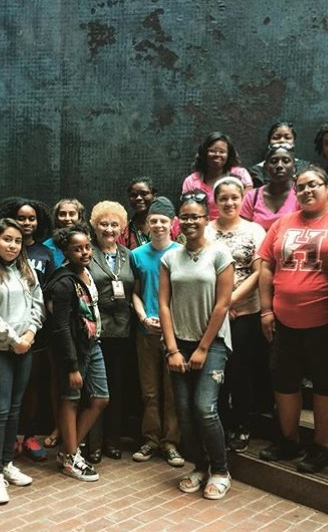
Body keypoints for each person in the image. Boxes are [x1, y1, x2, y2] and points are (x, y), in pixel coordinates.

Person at [257, 167, 328, 474]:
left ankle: (321, 448)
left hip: (325, 322)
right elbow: (266, 266)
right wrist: (266, 311)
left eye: (313, 185)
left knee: (326, 384)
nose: (306, 191)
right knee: (284, 382)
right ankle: (289, 440)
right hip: (284, 322)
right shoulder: (283, 223)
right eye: (301, 187)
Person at [159, 190, 235, 500]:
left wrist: (203, 348)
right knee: (184, 411)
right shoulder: (169, 257)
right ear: (179, 220)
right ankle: (198, 466)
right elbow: (163, 304)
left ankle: (220, 469)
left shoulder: (219, 253)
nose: (190, 221)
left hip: (212, 343)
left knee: (204, 408)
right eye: (185, 216)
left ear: (207, 219)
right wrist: (173, 349)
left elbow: (222, 304)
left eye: (196, 216)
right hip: (180, 344)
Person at [0, 218, 46, 503]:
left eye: (16, 240)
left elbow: (38, 302)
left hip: (24, 347)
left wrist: (30, 332)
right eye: (6, 239)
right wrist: (15, 340)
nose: (12, 245)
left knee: (15, 408)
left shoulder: (25, 268)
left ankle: (7, 464)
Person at [206, 177, 267, 453]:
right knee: (215, 371)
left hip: (245, 311)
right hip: (211, 313)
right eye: (223, 198)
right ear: (215, 201)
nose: (229, 202)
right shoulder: (205, 231)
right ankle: (219, 423)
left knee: (240, 371)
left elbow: (259, 272)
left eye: (234, 197)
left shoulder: (255, 231)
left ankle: (242, 425)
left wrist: (231, 300)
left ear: (242, 198)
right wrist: (219, 305)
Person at [45, 223, 109, 481]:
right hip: (73, 352)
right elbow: (60, 327)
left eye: (87, 247)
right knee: (70, 399)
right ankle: (71, 458)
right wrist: (72, 366)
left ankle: (68, 451)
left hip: (92, 345)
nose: (84, 252)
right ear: (65, 252)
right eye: (77, 249)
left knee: (101, 398)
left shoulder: (87, 273)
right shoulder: (63, 281)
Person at [0, 197, 54, 462]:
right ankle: (5, 440)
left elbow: (46, 295)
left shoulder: (44, 253)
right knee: (3, 393)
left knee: (31, 389)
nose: (27, 223)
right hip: (2, 334)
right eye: (21, 218)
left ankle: (28, 435)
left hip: (35, 334)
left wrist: (34, 329)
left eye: (32, 218)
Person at [130, 197, 183, 467]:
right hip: (145, 332)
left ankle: (171, 442)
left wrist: (168, 322)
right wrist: (143, 317)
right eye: (154, 221)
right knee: (149, 390)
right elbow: (135, 293)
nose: (159, 225)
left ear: (172, 224)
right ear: (147, 224)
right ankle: (151, 438)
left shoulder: (181, 253)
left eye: (164, 221)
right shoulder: (137, 255)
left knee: (172, 389)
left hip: (174, 332)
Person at [84, 201, 135, 462]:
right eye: (104, 223)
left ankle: (112, 441)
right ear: (95, 225)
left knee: (117, 387)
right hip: (96, 330)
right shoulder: (87, 252)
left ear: (122, 227)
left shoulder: (128, 255)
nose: (109, 228)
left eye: (114, 224)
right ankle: (92, 444)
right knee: (96, 389)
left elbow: (133, 289)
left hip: (123, 330)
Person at [182, 132, 253, 221]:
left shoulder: (240, 175)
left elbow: (247, 206)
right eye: (212, 151)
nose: (217, 155)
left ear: (228, 154)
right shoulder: (191, 181)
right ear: (204, 153)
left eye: (222, 152)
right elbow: (187, 210)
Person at [240, 144, 299, 231]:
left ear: (294, 168)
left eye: (286, 161)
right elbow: (243, 232)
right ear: (266, 168)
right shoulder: (252, 197)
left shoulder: (301, 195)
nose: (279, 165)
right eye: (274, 161)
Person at [248, 121, 311, 187]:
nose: (282, 140)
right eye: (276, 138)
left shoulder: (305, 167)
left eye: (287, 137)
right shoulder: (256, 171)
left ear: (294, 142)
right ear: (269, 142)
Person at [43, 198, 86, 268]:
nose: (67, 218)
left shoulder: (89, 244)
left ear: (80, 217)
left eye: (72, 214)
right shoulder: (47, 247)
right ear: (56, 218)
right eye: (62, 214)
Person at [119, 177, 157, 249]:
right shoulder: (124, 232)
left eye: (144, 194)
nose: (138, 198)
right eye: (134, 195)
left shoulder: (171, 225)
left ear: (154, 196)